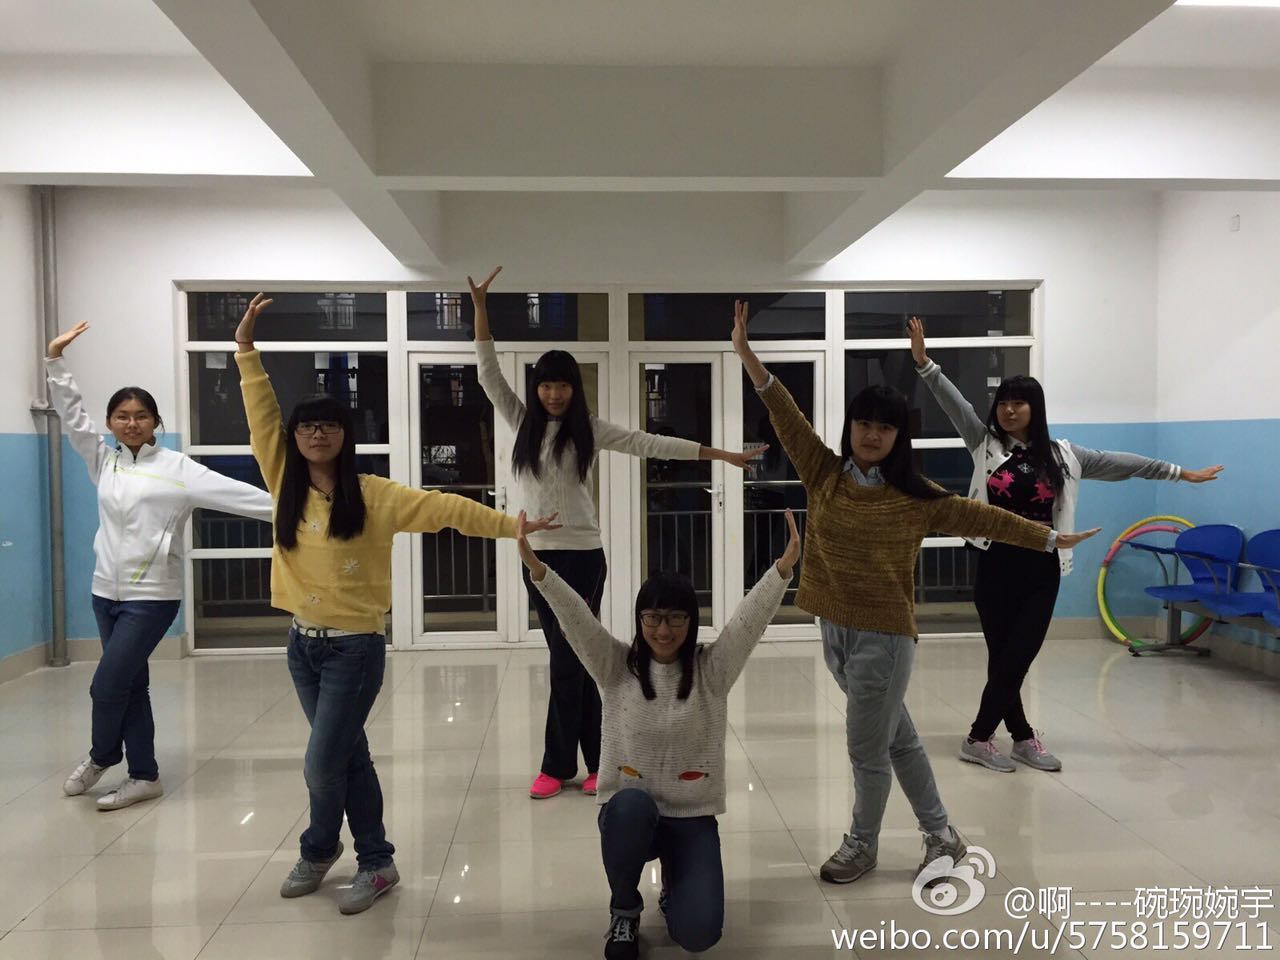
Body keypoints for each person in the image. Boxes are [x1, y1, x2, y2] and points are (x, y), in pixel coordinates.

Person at [731, 301, 1102, 888]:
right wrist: (747, 355)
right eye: (863, 424)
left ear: (899, 436)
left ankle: (862, 844)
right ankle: (942, 835)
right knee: (897, 740)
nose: (871, 435)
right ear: (851, 428)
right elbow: (784, 412)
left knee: (866, 749)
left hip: (883, 638)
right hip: (834, 632)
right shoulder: (823, 473)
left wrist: (1050, 537)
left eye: (884, 427)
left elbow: (985, 517)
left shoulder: (915, 496)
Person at [233, 294, 559, 915]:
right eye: (307, 427)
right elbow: (260, 416)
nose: (316, 434)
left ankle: (320, 846)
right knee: (347, 756)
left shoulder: (374, 495)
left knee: (322, 764)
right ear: (295, 438)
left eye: (328, 426)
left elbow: (444, 509)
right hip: (302, 645)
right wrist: (246, 350)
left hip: (353, 649)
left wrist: (508, 526)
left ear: (344, 436)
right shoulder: (283, 481)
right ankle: (374, 862)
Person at [468, 266, 766, 800]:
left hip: (583, 556)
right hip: (537, 558)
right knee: (572, 658)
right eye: (546, 384)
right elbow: (489, 374)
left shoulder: (589, 429)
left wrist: (718, 454)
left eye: (562, 385)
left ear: (573, 389)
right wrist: (481, 310)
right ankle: (590, 760)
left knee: (572, 659)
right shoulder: (522, 422)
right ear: (536, 388)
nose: (553, 393)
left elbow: (648, 442)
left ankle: (563, 765)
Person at [907, 317, 1223, 773]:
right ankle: (1015, 738)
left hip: (1042, 567)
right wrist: (924, 364)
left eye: (1018, 403)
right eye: (1003, 403)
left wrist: (1179, 473)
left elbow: (1125, 464)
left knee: (1019, 654)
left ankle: (981, 737)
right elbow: (954, 403)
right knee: (1005, 657)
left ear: (1035, 409)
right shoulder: (984, 444)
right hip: (995, 563)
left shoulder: (1065, 455)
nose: (1009, 410)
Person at [518, 507, 800, 960]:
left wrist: (783, 569)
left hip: (690, 816)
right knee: (630, 806)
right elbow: (576, 619)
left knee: (699, 935)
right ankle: (625, 909)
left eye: (675, 619)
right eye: (652, 618)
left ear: (691, 622)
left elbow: (748, 623)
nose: (663, 631)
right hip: (631, 815)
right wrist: (539, 571)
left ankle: (674, 886)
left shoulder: (712, 669)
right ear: (639, 620)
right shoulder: (615, 666)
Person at [47, 322, 274, 811]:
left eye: (141, 416)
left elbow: (243, 497)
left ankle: (102, 756)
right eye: (122, 416)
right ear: (111, 423)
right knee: (132, 684)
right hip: (105, 593)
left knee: (107, 684)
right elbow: (72, 418)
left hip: (152, 597)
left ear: (155, 422)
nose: (132, 424)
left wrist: (306, 509)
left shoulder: (178, 469)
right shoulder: (104, 462)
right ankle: (145, 775)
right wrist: (55, 362)